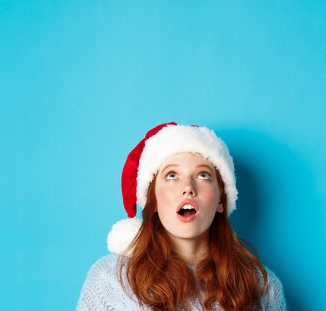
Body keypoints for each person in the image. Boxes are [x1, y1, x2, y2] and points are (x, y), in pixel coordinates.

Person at [76, 122, 286, 310]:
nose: (188, 187)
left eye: (203, 175)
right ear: (154, 200)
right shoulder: (109, 279)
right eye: (172, 175)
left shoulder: (262, 287)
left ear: (221, 200)